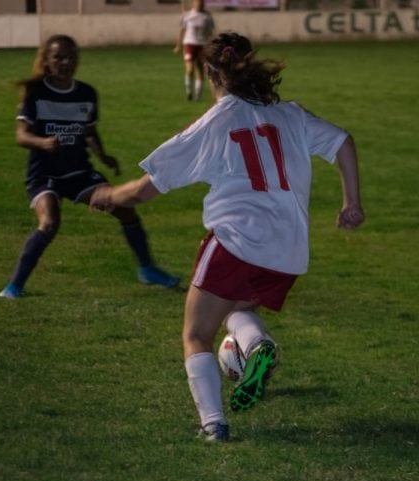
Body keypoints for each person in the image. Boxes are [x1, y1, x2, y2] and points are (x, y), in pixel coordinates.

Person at [91, 32, 365, 442]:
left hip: (236, 241)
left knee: (196, 333)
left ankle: (213, 424)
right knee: (236, 309)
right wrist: (351, 203)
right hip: (287, 250)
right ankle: (256, 345)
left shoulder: (220, 118)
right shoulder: (289, 114)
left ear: (211, 72)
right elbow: (343, 141)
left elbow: (149, 187)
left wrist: (110, 194)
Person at [0, 34, 179, 299]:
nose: (66, 62)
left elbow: (90, 132)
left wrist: (104, 156)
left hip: (78, 172)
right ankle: (14, 286)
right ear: (47, 61)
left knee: (125, 210)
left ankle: (147, 268)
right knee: (49, 223)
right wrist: (42, 142)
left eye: (71, 56)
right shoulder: (36, 92)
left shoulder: (86, 93)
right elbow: (21, 135)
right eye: (59, 57)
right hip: (44, 174)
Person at [174, 0, 214, 101]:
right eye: (198, 2)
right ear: (193, 3)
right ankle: (189, 92)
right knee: (190, 69)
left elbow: (210, 32)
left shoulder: (207, 17)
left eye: (202, 3)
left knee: (200, 70)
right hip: (189, 44)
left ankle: (198, 96)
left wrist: (211, 45)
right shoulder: (187, 15)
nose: (200, 4)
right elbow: (182, 30)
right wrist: (178, 45)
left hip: (202, 45)